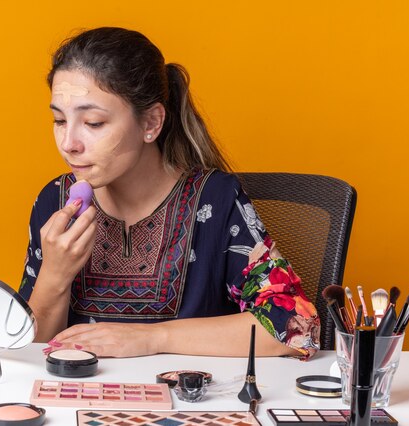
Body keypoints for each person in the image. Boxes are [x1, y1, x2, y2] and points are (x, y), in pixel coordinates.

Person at [19, 27, 320, 359]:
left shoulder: (216, 200)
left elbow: (297, 327)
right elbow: (28, 353)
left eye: (93, 123)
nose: (68, 145)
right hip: (74, 404)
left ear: (151, 123)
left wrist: (153, 338)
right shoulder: (54, 201)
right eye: (59, 121)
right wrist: (54, 275)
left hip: (191, 402)